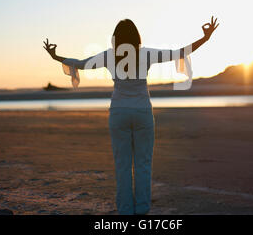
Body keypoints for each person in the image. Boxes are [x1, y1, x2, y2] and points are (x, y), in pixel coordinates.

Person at [43, 16, 219, 214]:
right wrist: (206, 38)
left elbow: (81, 64)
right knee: (143, 163)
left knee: (122, 165)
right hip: (142, 111)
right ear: (136, 37)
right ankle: (142, 209)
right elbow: (179, 52)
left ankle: (126, 211)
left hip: (119, 112)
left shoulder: (110, 55)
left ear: (116, 38)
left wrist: (55, 56)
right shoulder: (145, 54)